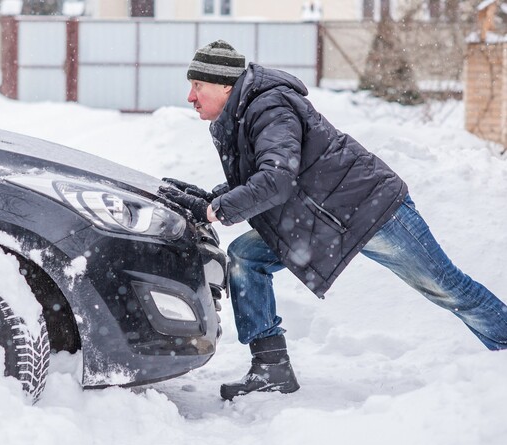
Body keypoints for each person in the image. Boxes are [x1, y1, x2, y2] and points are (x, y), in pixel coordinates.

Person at [158, 39, 507, 401]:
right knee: (247, 257)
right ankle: (271, 366)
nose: (191, 96)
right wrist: (211, 198)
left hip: (372, 210)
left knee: (447, 287)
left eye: (198, 85)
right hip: (323, 221)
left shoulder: (269, 107)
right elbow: (262, 178)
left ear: (225, 85)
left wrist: (214, 211)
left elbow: (277, 179)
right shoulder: (245, 113)